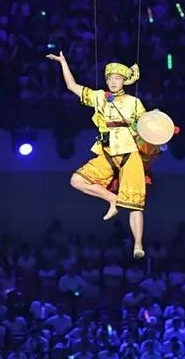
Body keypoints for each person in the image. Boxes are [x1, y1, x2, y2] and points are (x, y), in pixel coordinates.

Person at [46, 52, 150, 259]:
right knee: (76, 180)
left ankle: (138, 243)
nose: (113, 81)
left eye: (117, 78)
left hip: (129, 152)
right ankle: (113, 199)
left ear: (124, 81)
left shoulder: (134, 102)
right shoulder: (100, 97)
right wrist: (64, 63)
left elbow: (147, 126)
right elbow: (72, 87)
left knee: (135, 203)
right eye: (110, 78)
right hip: (106, 151)